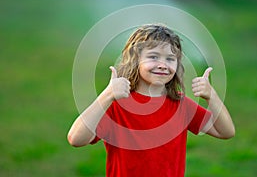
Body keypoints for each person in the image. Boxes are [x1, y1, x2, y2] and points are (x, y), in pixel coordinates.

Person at [67, 24, 235, 177]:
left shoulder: (181, 105)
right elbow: (76, 139)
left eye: (170, 59)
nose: (162, 64)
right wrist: (107, 95)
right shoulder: (116, 105)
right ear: (134, 60)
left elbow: (225, 132)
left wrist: (211, 96)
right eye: (153, 57)